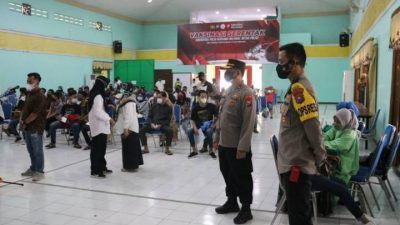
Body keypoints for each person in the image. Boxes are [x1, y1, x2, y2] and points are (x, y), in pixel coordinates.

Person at [213, 59, 256, 224]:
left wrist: (243, 147)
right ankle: (232, 202)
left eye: (230, 71)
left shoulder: (247, 93)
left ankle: (246, 209)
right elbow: (222, 117)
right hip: (225, 143)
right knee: (228, 174)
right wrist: (217, 139)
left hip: (237, 146)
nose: (226, 74)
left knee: (242, 177)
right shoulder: (229, 90)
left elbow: (248, 123)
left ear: (238, 72)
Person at [20, 72, 47, 182]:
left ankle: (39, 172)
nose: (28, 83)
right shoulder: (29, 94)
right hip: (27, 126)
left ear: (36, 81)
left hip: (36, 127)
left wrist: (25, 122)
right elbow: (25, 109)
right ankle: (33, 168)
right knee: (30, 150)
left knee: (37, 150)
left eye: (30, 81)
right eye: (27, 81)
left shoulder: (40, 96)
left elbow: (35, 114)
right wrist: (21, 120)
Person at [323, 108, 360, 184]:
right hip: (337, 160)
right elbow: (326, 136)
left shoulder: (350, 135)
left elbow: (333, 145)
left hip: (345, 166)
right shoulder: (339, 127)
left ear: (345, 121)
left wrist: (317, 142)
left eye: (338, 122)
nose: (334, 123)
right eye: (334, 120)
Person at [88, 76, 114, 178]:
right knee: (99, 149)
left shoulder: (93, 93)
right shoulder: (98, 96)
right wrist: (109, 119)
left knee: (97, 149)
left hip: (97, 125)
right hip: (99, 126)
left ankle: (99, 168)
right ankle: (98, 170)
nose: (106, 88)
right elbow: (98, 112)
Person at [115, 94, 143, 172]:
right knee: (132, 148)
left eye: (119, 98)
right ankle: (135, 164)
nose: (117, 100)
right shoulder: (125, 103)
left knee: (129, 149)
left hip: (129, 129)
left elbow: (129, 116)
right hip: (128, 128)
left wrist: (126, 129)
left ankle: (130, 167)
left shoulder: (129, 103)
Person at [139, 91, 173, 155]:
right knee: (141, 130)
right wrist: (151, 123)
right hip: (152, 124)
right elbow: (149, 116)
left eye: (160, 97)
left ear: (165, 98)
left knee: (170, 131)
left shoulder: (169, 107)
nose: (158, 99)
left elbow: (168, 120)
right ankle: (146, 148)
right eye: (157, 97)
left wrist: (160, 125)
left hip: (162, 125)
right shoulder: (154, 105)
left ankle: (167, 149)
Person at [188, 90, 218, 159]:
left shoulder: (211, 106)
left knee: (209, 131)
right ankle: (194, 150)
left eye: (205, 96)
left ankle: (211, 150)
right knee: (190, 131)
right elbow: (193, 120)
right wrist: (195, 128)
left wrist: (214, 124)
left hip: (209, 126)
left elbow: (217, 117)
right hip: (199, 127)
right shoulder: (195, 108)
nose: (204, 98)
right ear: (198, 97)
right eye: (202, 97)